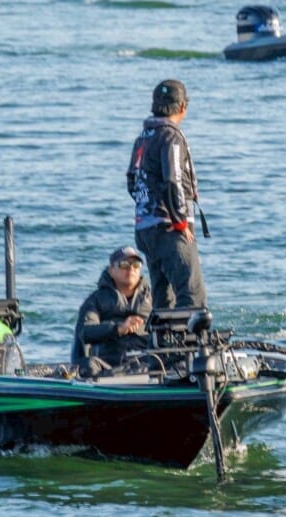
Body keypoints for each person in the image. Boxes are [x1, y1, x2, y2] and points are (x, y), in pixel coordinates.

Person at [127, 78, 207, 309]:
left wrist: (148, 207)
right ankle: (189, 343)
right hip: (169, 227)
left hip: (145, 227)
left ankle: (162, 341)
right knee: (192, 294)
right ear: (183, 107)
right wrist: (179, 221)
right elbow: (174, 180)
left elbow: (132, 182)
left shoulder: (144, 136)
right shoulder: (170, 136)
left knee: (164, 296)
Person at [73, 245, 153, 375]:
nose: (131, 268)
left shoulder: (154, 297)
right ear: (111, 270)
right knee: (88, 365)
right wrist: (118, 329)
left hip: (147, 360)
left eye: (136, 264)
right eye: (124, 264)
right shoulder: (95, 300)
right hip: (109, 364)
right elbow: (84, 331)